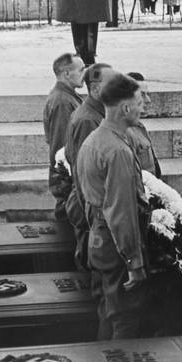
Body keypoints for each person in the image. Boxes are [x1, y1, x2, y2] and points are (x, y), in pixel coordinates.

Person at [75, 72, 150, 341]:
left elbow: (88, 199)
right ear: (126, 108)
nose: (145, 105)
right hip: (116, 244)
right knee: (125, 317)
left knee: (109, 310)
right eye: (141, 101)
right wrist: (134, 261)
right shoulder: (117, 150)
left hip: (100, 238)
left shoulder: (95, 139)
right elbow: (121, 212)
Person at [64, 63, 115, 264]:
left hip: (96, 212)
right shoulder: (88, 120)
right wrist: (94, 219)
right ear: (94, 89)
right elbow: (84, 174)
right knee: (99, 274)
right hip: (93, 214)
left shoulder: (96, 114)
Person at [43, 52, 84, 219]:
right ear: (67, 74)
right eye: (81, 70)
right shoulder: (63, 102)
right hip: (68, 182)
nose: (85, 74)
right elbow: (62, 148)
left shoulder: (67, 96)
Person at [127, 72, 161, 177]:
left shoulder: (138, 126)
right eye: (142, 95)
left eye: (147, 94)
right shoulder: (123, 132)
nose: (148, 100)